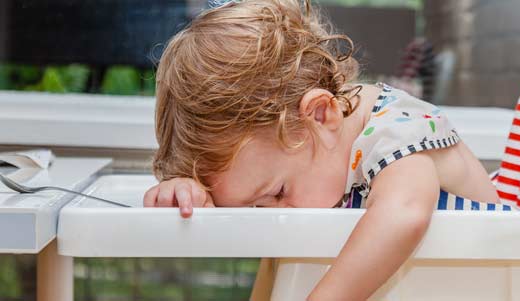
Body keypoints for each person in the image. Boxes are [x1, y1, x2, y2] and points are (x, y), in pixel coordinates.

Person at [143, 1, 499, 298]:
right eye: (254, 207)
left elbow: (404, 214)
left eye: (277, 193)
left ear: (321, 114)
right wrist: (193, 194)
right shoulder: (303, 156)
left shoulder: (397, 127)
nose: (272, 214)